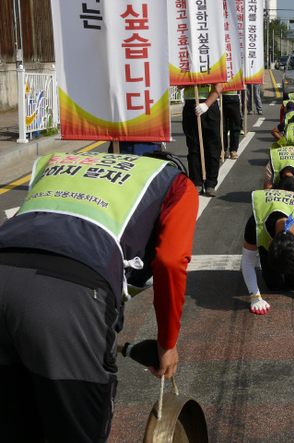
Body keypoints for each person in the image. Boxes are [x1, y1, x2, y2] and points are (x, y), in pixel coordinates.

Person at [0, 151, 199, 442]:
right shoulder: (177, 183)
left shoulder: (61, 163)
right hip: (70, 292)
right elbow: (170, 261)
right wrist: (167, 344)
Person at [181, 82, 224, 197]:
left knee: (212, 147)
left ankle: (210, 184)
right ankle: (196, 182)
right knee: (193, 147)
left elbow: (219, 85)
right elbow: (179, 85)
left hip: (209, 106)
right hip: (191, 105)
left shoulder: (214, 64)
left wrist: (206, 105)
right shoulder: (186, 64)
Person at [221, 89, 242, 159]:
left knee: (235, 127)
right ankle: (223, 149)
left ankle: (233, 150)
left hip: (235, 99)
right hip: (221, 98)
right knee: (222, 127)